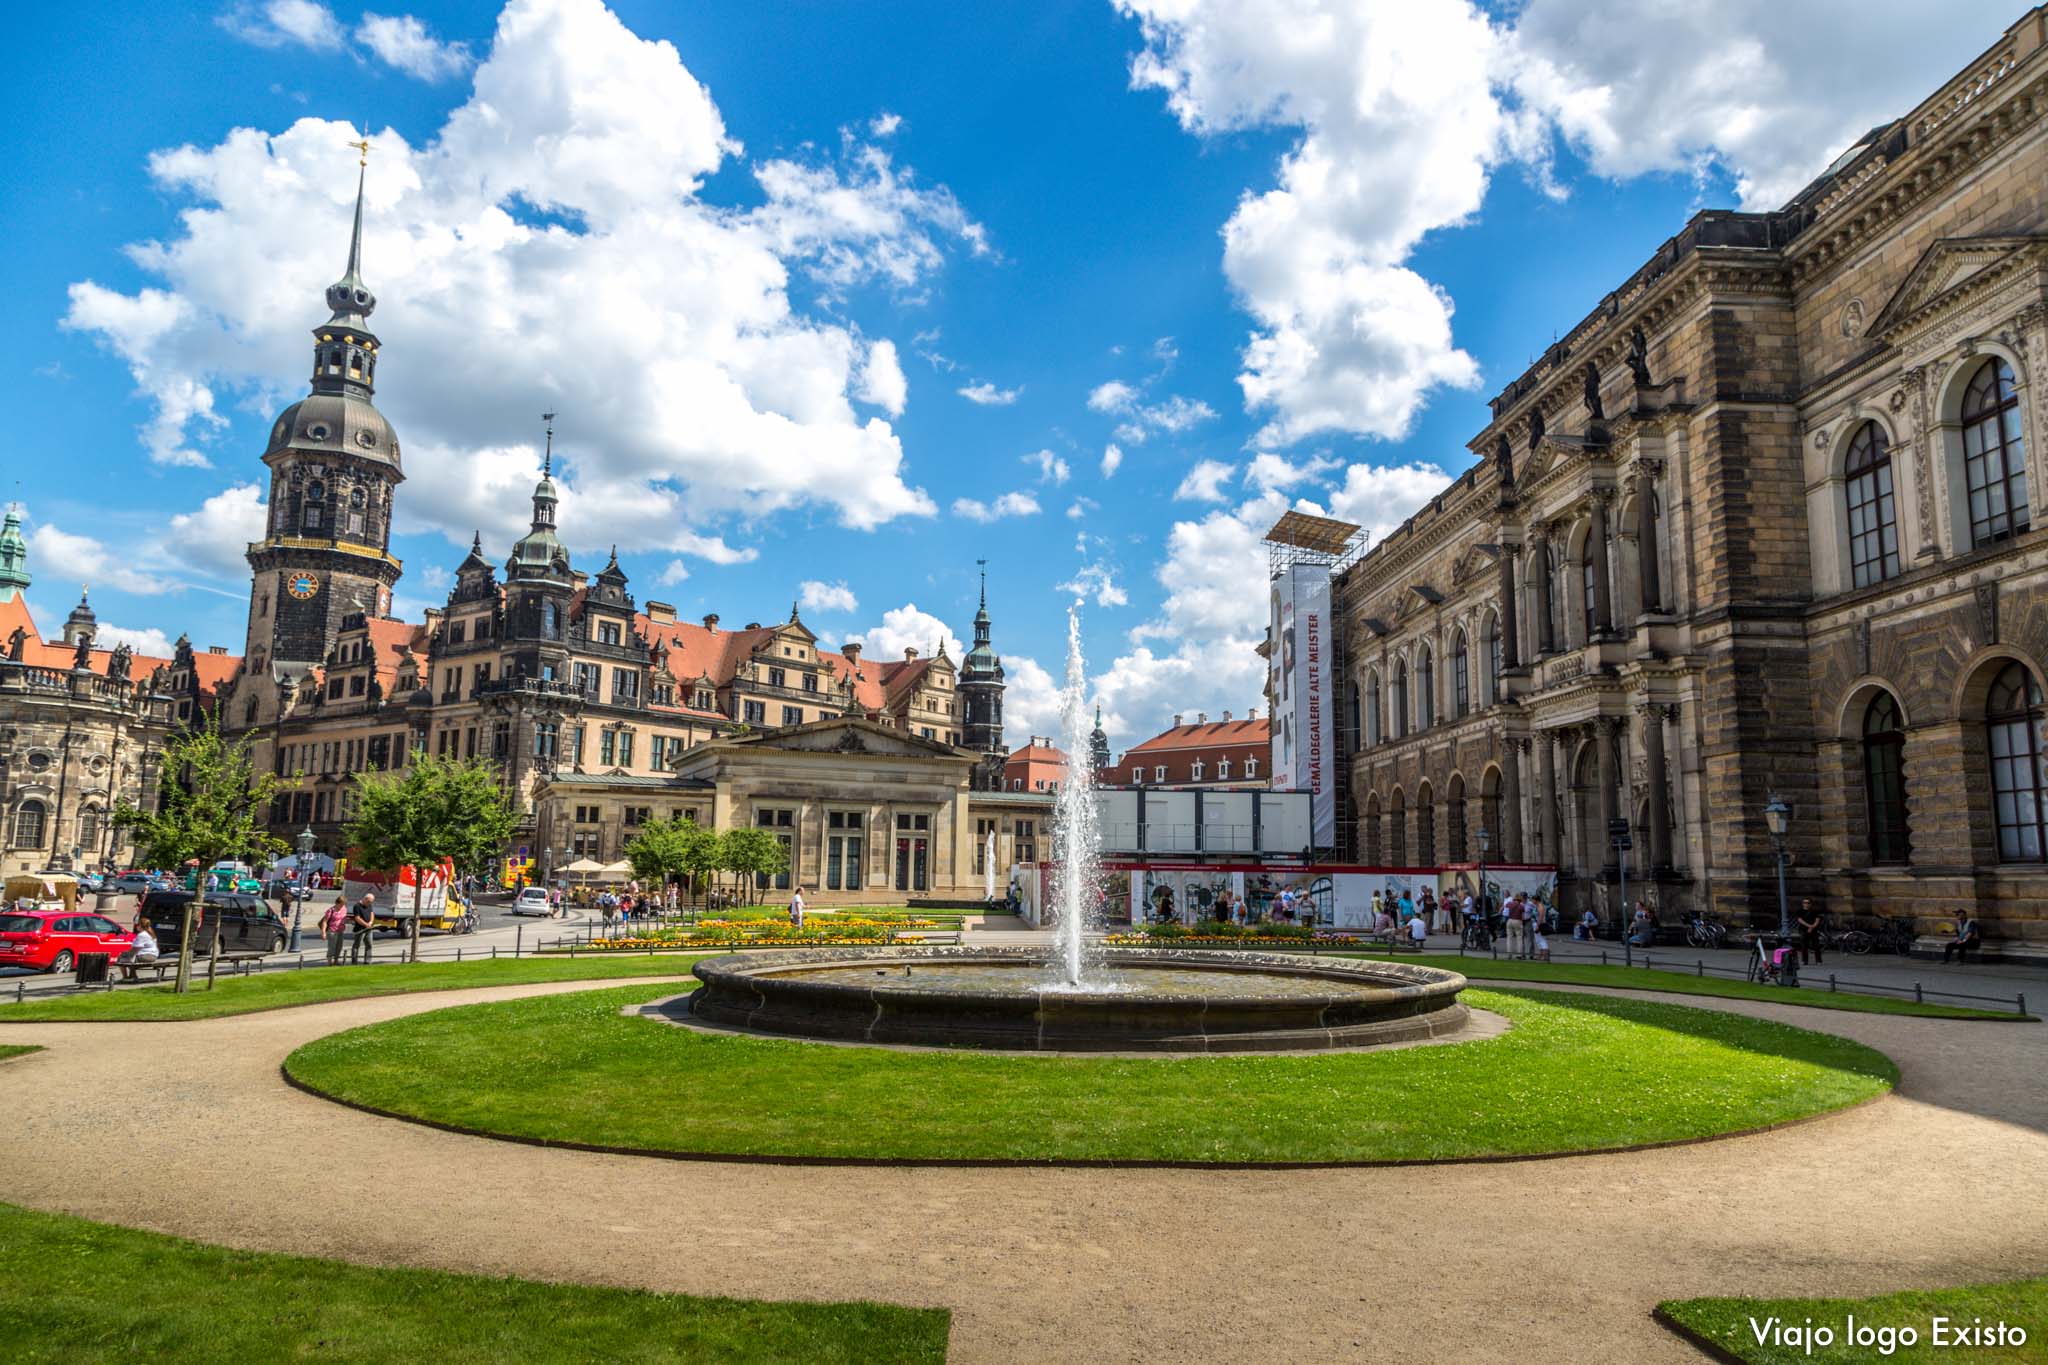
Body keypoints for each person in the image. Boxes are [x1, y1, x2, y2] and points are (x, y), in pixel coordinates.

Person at [320, 897, 349, 966]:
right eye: (341, 904)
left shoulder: (344, 908)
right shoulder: (331, 910)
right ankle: (330, 961)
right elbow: (325, 922)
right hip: (332, 931)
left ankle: (336, 960)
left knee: (339, 946)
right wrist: (323, 932)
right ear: (337, 903)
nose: (342, 906)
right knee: (332, 947)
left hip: (341, 931)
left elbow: (344, 918)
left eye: (343, 904)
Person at [349, 895, 377, 965]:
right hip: (360, 929)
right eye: (368, 902)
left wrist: (370, 922)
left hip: (369, 928)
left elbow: (372, 914)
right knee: (357, 945)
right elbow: (357, 918)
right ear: (365, 899)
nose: (369, 903)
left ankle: (368, 961)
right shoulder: (357, 906)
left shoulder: (369, 905)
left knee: (369, 944)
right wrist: (365, 924)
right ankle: (354, 961)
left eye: (370, 902)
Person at [1796, 898, 1824, 965]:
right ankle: (1805, 961)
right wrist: (1809, 926)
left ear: (1810, 904)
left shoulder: (1815, 911)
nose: (1806, 904)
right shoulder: (1800, 911)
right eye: (1804, 903)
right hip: (1803, 930)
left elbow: (1817, 920)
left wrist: (1812, 927)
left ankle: (1818, 961)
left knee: (1816, 946)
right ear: (1802, 904)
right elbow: (1800, 920)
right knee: (1804, 946)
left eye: (1808, 903)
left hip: (1814, 931)